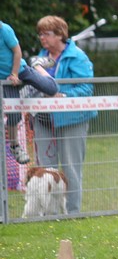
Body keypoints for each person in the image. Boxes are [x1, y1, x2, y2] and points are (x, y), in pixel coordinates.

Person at [30, 16, 97, 214]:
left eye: (46, 34)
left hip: (72, 119)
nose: (42, 38)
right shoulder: (40, 58)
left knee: (70, 168)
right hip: (43, 119)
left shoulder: (77, 57)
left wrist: (63, 96)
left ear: (60, 35)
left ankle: (72, 211)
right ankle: (49, 213)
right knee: (45, 170)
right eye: (40, 34)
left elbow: (86, 88)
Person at [1, 20, 59, 164]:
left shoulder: (5, 30)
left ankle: (37, 64)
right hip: (5, 81)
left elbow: (17, 52)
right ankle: (15, 146)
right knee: (14, 115)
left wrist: (14, 74)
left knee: (51, 89)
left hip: (20, 70)